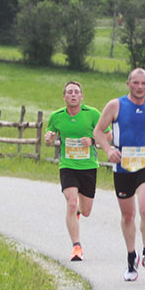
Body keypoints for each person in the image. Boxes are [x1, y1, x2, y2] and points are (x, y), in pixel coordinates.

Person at [93, 68, 145, 281]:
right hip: (123, 165)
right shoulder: (115, 105)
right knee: (128, 216)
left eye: (143, 83)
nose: (139, 87)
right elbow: (98, 131)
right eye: (135, 83)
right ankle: (131, 256)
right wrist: (109, 150)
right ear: (128, 84)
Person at [44, 81, 102, 262]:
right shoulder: (56, 116)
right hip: (68, 166)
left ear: (82, 96)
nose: (73, 95)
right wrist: (49, 138)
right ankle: (76, 247)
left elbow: (107, 135)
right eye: (69, 92)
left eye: (76, 92)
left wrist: (92, 140)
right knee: (70, 201)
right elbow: (49, 140)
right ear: (64, 96)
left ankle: (77, 211)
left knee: (85, 211)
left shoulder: (92, 114)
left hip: (88, 167)